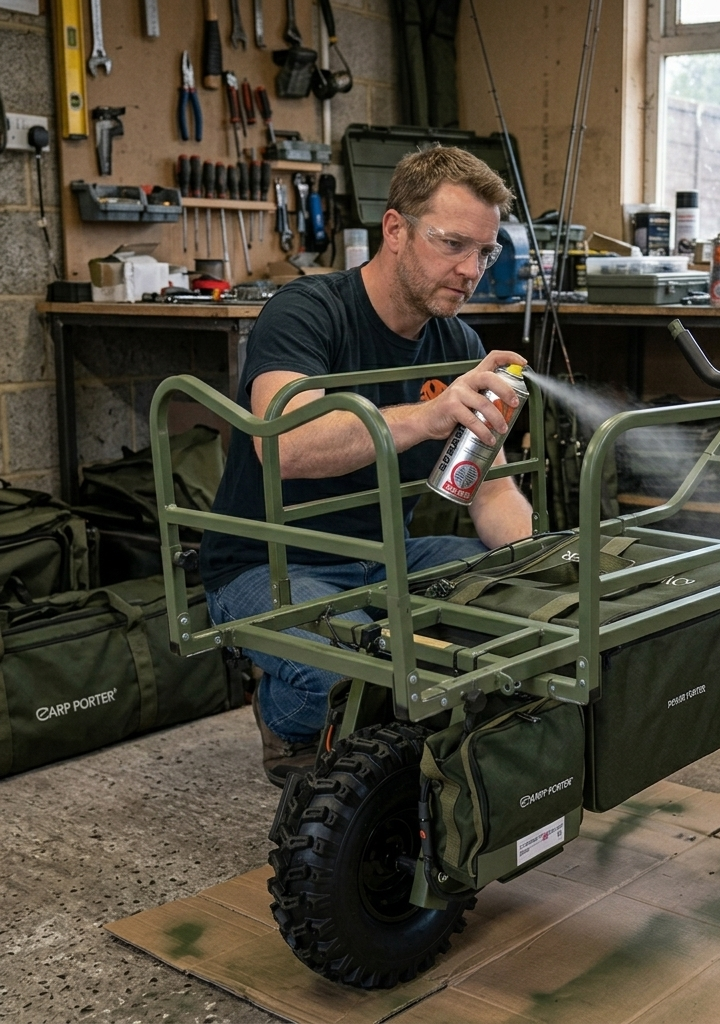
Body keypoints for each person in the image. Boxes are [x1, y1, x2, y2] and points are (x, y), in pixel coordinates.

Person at [199, 146, 534, 786]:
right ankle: (282, 710)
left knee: (518, 610)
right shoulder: (307, 311)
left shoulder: (457, 343)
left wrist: (544, 568)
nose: (471, 271)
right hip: (268, 561)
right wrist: (430, 417)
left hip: (387, 554)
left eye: (485, 253)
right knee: (360, 673)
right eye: (452, 244)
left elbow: (489, 489)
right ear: (396, 229)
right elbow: (285, 446)